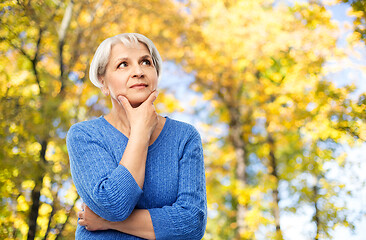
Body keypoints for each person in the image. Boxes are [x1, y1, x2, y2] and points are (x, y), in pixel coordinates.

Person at [66, 33, 207, 240]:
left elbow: (191, 223)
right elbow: (114, 205)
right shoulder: (84, 135)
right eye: (123, 64)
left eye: (145, 62)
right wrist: (141, 131)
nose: (138, 71)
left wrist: (104, 222)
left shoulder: (184, 137)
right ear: (103, 83)